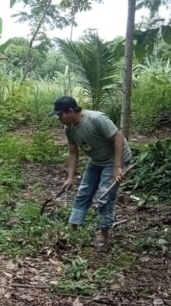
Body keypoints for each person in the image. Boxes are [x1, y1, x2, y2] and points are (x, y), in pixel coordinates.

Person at [53, 96, 132, 249]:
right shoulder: (69, 129)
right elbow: (73, 152)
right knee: (84, 192)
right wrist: (70, 177)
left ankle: (104, 233)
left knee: (104, 195)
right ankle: (73, 228)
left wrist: (118, 167)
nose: (58, 118)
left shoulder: (96, 119)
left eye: (59, 114)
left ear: (70, 111)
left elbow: (118, 139)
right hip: (96, 160)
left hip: (114, 159)